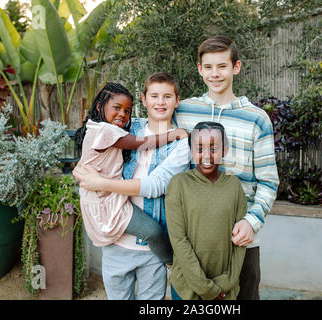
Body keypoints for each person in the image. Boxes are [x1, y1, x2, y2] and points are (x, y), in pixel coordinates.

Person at [173, 35, 280, 300]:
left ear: (236, 67)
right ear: (199, 69)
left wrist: (251, 222)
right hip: (196, 245)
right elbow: (150, 135)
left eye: (222, 66)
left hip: (240, 241)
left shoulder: (257, 119)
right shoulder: (183, 112)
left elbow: (268, 181)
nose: (215, 74)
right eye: (208, 67)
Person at [73, 73, 191, 300]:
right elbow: (86, 162)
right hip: (117, 243)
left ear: (177, 101)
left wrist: (102, 183)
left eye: (167, 97)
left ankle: (173, 263)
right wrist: (83, 173)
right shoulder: (126, 128)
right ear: (144, 100)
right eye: (154, 96)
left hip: (152, 252)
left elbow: (155, 185)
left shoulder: (181, 143)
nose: (160, 102)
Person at [165, 121, 247, 300]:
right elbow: (178, 240)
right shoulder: (179, 184)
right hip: (186, 286)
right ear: (191, 151)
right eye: (200, 149)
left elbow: (240, 243)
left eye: (214, 148)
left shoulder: (234, 186)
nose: (207, 155)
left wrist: (227, 283)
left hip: (225, 288)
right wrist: (206, 288)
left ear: (224, 150)